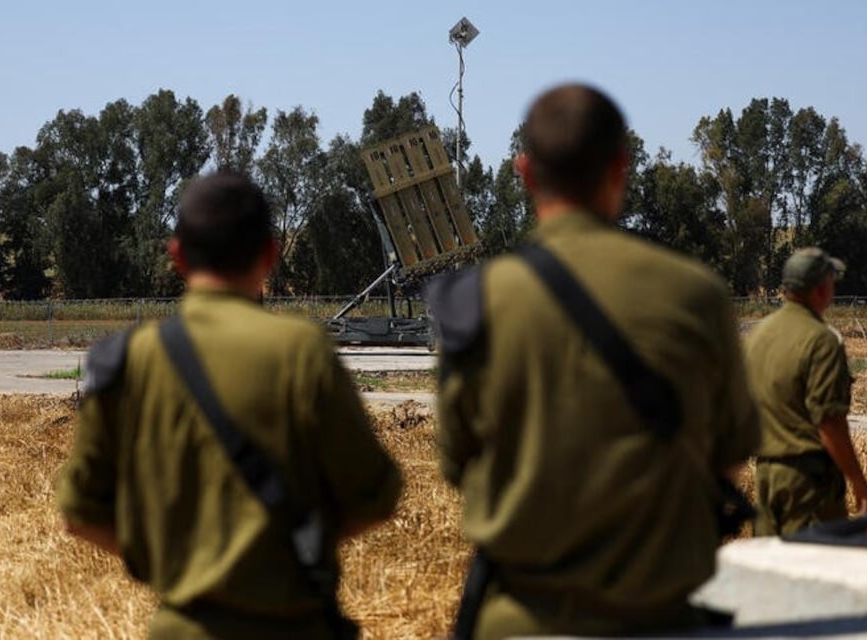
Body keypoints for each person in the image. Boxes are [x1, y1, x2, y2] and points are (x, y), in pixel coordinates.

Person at [426, 83, 760, 639]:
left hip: (520, 621)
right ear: (621, 166)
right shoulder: (696, 294)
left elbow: (459, 463)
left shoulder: (477, 300)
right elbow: (727, 456)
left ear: (524, 172)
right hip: (661, 621)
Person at [56, 172, 402, 639]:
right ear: (270, 254)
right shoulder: (302, 352)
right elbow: (376, 496)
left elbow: (79, 512)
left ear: (177, 256)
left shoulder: (128, 361)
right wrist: (292, 547)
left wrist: (169, 560)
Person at [746, 247, 867, 536]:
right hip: (807, 482)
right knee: (812, 559)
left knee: (769, 561)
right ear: (821, 290)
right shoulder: (821, 341)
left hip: (766, 475)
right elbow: (829, 422)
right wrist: (859, 482)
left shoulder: (758, 336)